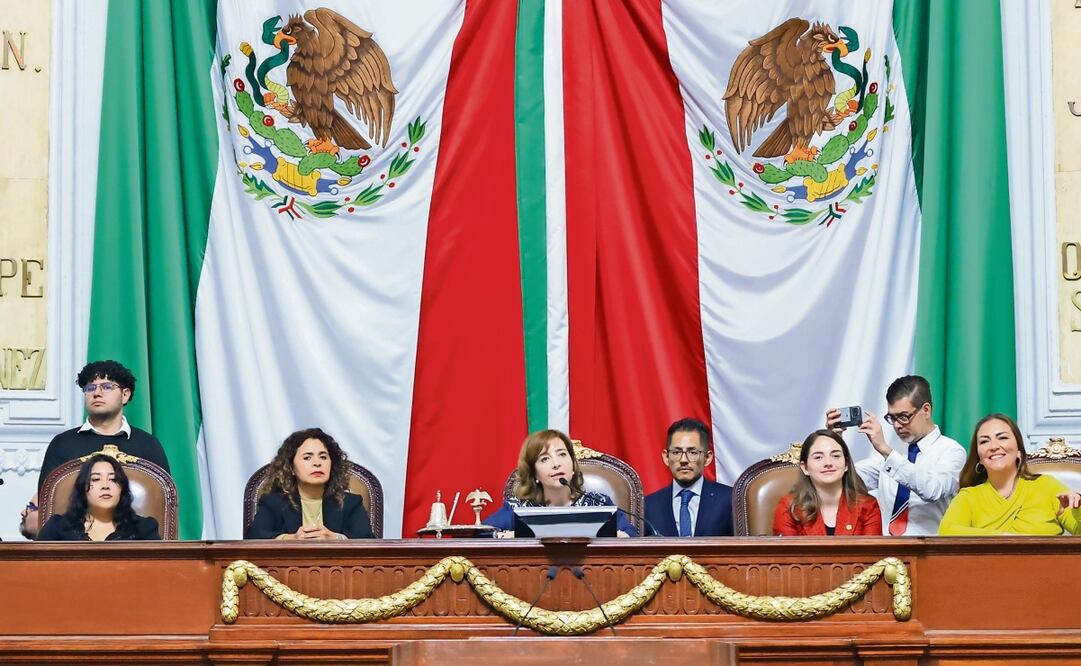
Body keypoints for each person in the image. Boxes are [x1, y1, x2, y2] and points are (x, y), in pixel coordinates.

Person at [26, 360, 171, 539]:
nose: (97, 393)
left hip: (133, 541)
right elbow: (47, 501)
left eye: (107, 386)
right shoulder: (63, 444)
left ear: (125, 395)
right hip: (73, 543)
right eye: (90, 388)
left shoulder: (148, 445)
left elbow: (164, 502)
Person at [827, 375, 965, 536]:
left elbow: (933, 490)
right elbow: (847, 480)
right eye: (892, 418)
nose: (897, 425)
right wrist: (834, 441)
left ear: (926, 410)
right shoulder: (894, 453)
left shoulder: (952, 451)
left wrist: (885, 450)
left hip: (928, 551)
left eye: (904, 417)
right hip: (885, 550)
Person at [938, 414, 1081, 535]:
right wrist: (1003, 538)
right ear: (979, 458)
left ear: (1019, 450)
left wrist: (1078, 510)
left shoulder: (1047, 486)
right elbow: (946, 531)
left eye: (1002, 438)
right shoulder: (968, 497)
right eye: (984, 441)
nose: (994, 446)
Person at [487, 429, 637, 537]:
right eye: (545, 459)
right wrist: (503, 537)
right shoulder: (518, 508)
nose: (556, 464)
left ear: (572, 465)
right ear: (534, 474)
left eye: (562, 454)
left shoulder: (598, 503)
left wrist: (621, 537)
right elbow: (481, 534)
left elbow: (632, 535)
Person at [247, 428, 374, 540]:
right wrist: (292, 539)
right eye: (307, 457)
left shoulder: (351, 503)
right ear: (290, 468)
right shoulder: (273, 502)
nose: (317, 463)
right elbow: (254, 536)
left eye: (323, 457)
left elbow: (368, 540)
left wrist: (335, 538)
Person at [773, 429, 882, 536]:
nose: (828, 463)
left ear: (846, 464)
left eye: (835, 456)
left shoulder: (868, 506)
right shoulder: (788, 506)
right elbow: (787, 553)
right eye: (818, 457)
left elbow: (872, 553)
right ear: (805, 468)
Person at [37, 454, 161, 541]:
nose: (105, 486)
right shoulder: (57, 528)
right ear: (82, 487)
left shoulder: (144, 529)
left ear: (122, 488)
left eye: (113, 479)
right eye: (96, 479)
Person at [644, 417, 733, 537]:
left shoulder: (729, 499)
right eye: (676, 452)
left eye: (692, 452)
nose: (684, 460)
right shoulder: (649, 505)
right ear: (666, 457)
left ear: (707, 458)